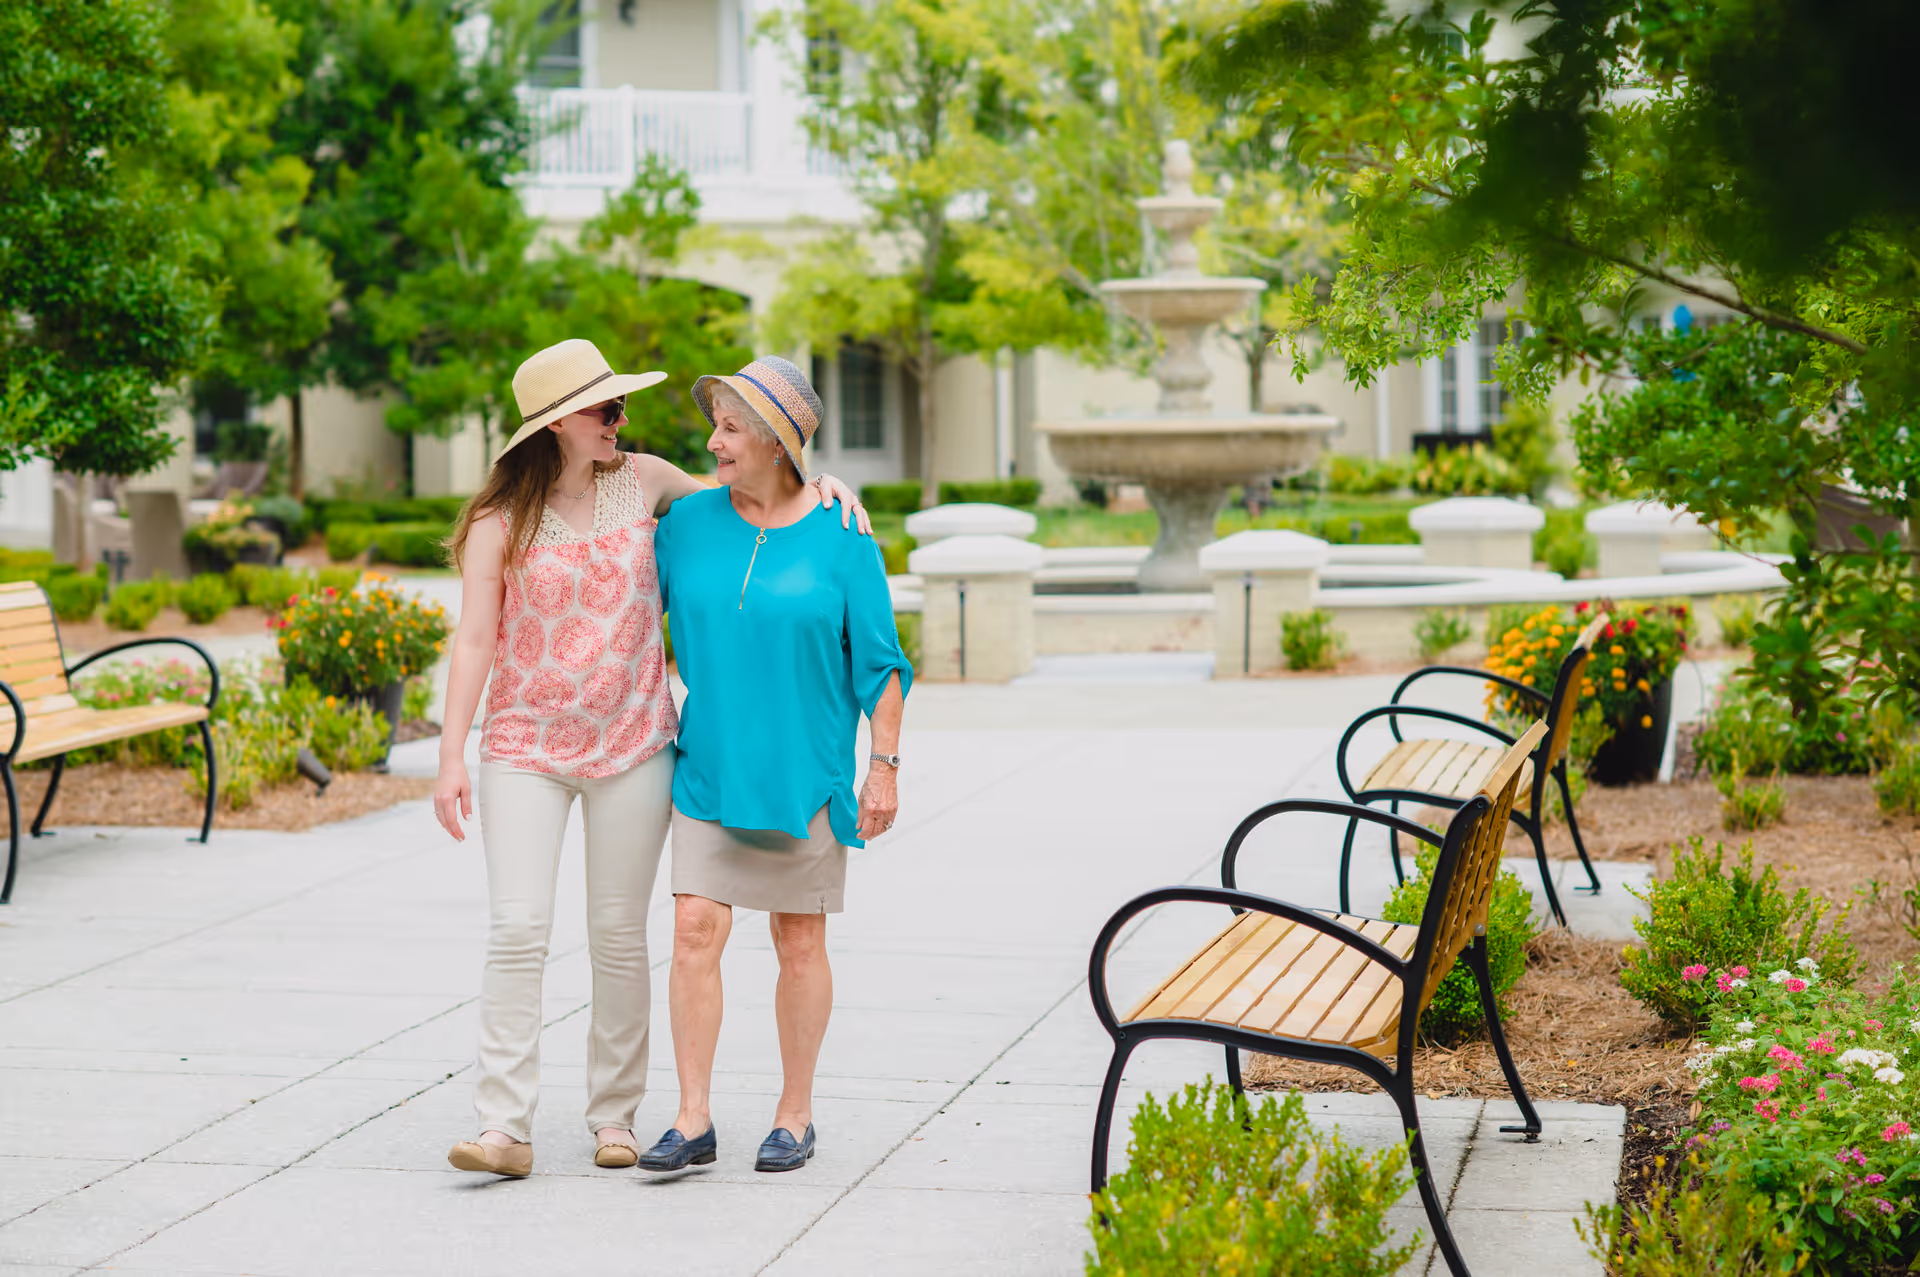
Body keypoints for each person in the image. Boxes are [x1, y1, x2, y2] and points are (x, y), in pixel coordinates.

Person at [433, 339, 868, 1178]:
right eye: (605, 409)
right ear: (559, 421)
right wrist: (451, 753)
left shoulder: (648, 481)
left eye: (620, 407)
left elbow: (756, 504)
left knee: (617, 934)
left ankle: (614, 1118)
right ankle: (502, 1126)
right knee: (518, 928)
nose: (620, 421)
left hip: (634, 742)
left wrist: (823, 487)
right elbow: (477, 636)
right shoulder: (498, 521)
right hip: (524, 745)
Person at [638, 356, 910, 1176]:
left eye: (729, 427)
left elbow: (884, 664)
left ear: (777, 441)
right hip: (711, 764)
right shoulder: (686, 524)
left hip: (806, 773)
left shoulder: (843, 536)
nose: (713, 440)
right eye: (715, 423)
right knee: (693, 928)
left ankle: (795, 1113)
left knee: (798, 937)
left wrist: (884, 765)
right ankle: (693, 1117)